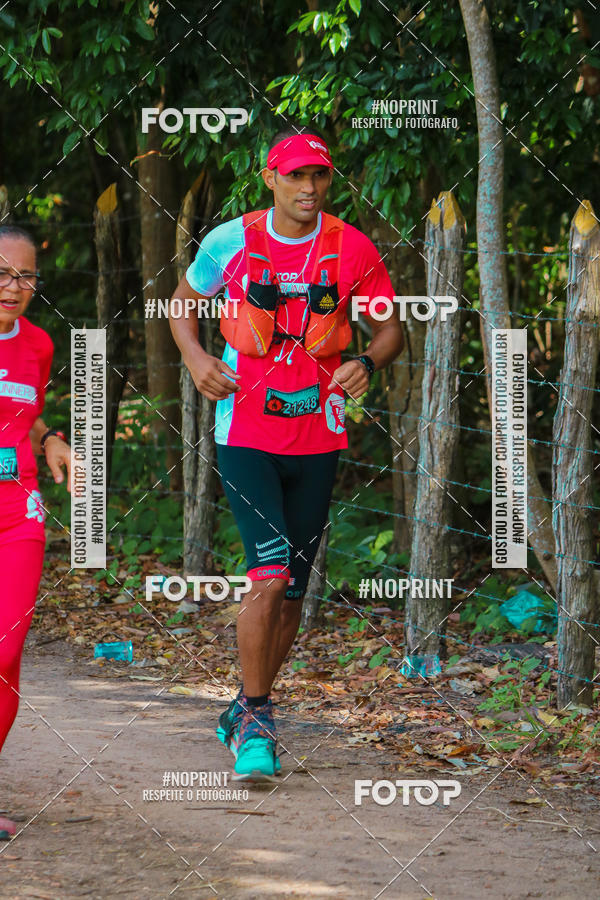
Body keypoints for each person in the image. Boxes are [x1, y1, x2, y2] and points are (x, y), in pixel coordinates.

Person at [169, 123, 403, 780]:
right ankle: (259, 719)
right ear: (270, 177)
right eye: (296, 174)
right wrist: (196, 359)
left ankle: (244, 708)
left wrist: (366, 361)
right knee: (268, 575)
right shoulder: (230, 241)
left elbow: (391, 331)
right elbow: (181, 305)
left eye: (319, 174)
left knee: (294, 590)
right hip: (245, 430)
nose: (309, 186)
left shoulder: (352, 248)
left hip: (318, 434)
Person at [0, 225, 71, 837]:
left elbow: (30, 413)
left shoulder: (39, 344)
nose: (13, 286)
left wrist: (51, 439)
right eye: (2, 273)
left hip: (17, 508)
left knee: (7, 650)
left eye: (25, 276)